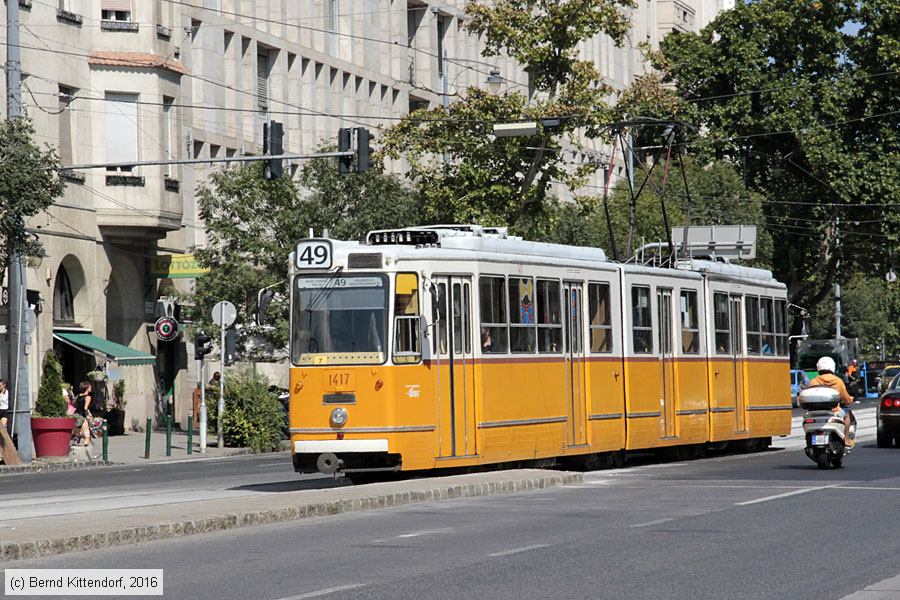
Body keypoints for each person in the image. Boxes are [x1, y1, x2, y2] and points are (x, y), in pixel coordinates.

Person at [810, 356, 854, 448]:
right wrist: (850, 399)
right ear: (832, 367)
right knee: (847, 416)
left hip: (815, 413)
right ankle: (846, 439)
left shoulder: (813, 381)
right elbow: (845, 398)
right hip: (834, 411)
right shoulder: (838, 381)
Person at [73, 381, 94, 451]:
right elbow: (85, 408)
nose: (91, 388)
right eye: (90, 387)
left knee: (78, 430)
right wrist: (87, 415)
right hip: (82, 416)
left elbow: (74, 404)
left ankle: (76, 439)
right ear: (86, 388)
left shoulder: (78, 396)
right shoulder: (88, 397)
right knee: (87, 434)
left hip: (76, 414)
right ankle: (86, 450)